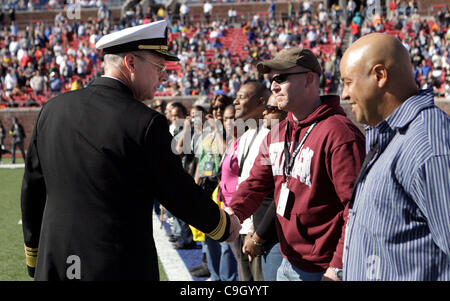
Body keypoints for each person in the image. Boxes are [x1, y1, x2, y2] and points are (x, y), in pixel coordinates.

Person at [20, 20, 241, 281]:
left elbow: (32, 191)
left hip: (55, 262)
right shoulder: (145, 122)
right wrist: (223, 226)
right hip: (116, 266)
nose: (165, 76)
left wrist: (34, 256)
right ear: (131, 63)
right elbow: (178, 193)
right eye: (160, 66)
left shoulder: (51, 110)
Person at [229, 46, 365, 281]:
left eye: (281, 78)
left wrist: (338, 268)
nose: (273, 86)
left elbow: (357, 210)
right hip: (287, 258)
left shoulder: (341, 134)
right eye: (272, 79)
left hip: (324, 268)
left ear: (309, 79)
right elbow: (255, 183)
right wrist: (232, 214)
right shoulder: (278, 132)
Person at [340, 33, 450, 281]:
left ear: (379, 76)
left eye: (348, 82)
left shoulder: (428, 144)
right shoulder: (390, 135)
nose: (344, 94)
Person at [242, 94, 287, 281]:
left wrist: (257, 237)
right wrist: (253, 227)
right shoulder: (270, 139)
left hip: (277, 237)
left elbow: (281, 196)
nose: (265, 113)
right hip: (263, 231)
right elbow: (262, 188)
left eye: (271, 109)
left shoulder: (287, 142)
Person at [232, 81, 271, 281]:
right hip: (242, 226)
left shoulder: (272, 134)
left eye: (242, 97)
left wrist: (256, 233)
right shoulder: (247, 135)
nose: (235, 101)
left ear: (261, 101)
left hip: (259, 232)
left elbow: (269, 189)